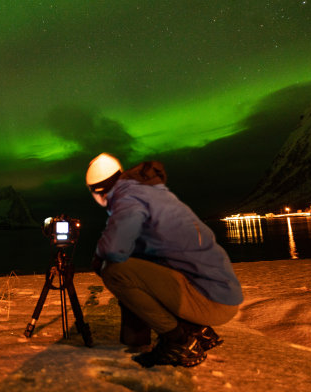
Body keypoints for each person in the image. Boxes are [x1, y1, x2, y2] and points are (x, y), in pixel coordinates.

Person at [86, 153, 243, 368]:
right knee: (134, 268)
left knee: (114, 271)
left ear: (97, 191)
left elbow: (114, 248)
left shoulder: (128, 199)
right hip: (220, 293)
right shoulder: (149, 195)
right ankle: (197, 330)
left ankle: (179, 341)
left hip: (211, 301)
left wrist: (98, 258)